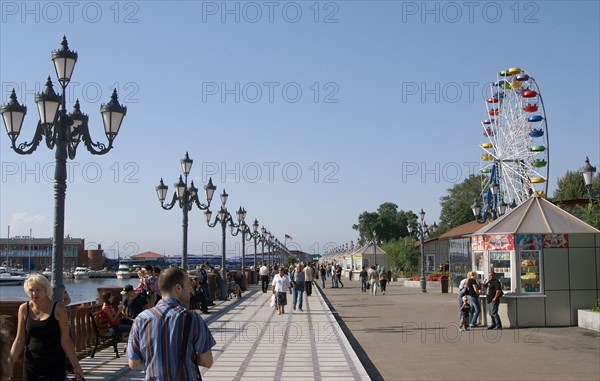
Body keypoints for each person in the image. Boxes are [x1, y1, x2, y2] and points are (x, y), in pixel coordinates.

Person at [128, 267, 216, 380]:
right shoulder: (192, 318)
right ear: (178, 288)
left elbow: (133, 364)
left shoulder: (141, 319)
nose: (190, 288)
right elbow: (207, 361)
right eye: (188, 284)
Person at [9, 273, 85, 381]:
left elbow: (66, 340)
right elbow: (19, 339)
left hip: (54, 363)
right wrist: (9, 363)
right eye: (31, 290)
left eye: (38, 290)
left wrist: (76, 366)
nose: (34, 293)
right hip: (31, 364)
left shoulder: (58, 309)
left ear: (46, 290)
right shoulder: (24, 309)